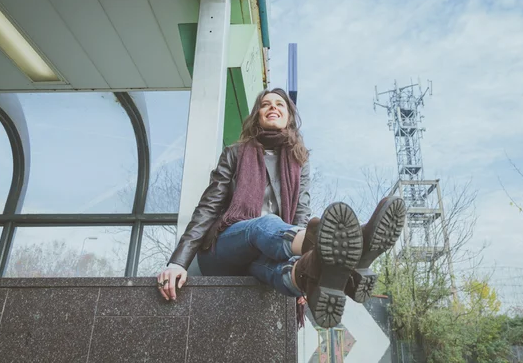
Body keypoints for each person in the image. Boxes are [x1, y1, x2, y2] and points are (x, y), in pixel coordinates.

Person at [157, 88, 406, 329]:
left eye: (280, 104)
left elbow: (301, 214)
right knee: (263, 225)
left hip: (269, 255)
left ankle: (308, 276)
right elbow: (208, 209)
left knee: (284, 271)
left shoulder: (299, 162)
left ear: (289, 117)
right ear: (257, 115)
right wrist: (178, 262)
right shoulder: (235, 153)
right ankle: (345, 247)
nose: (273, 107)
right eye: (266, 104)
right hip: (224, 249)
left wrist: (301, 264)